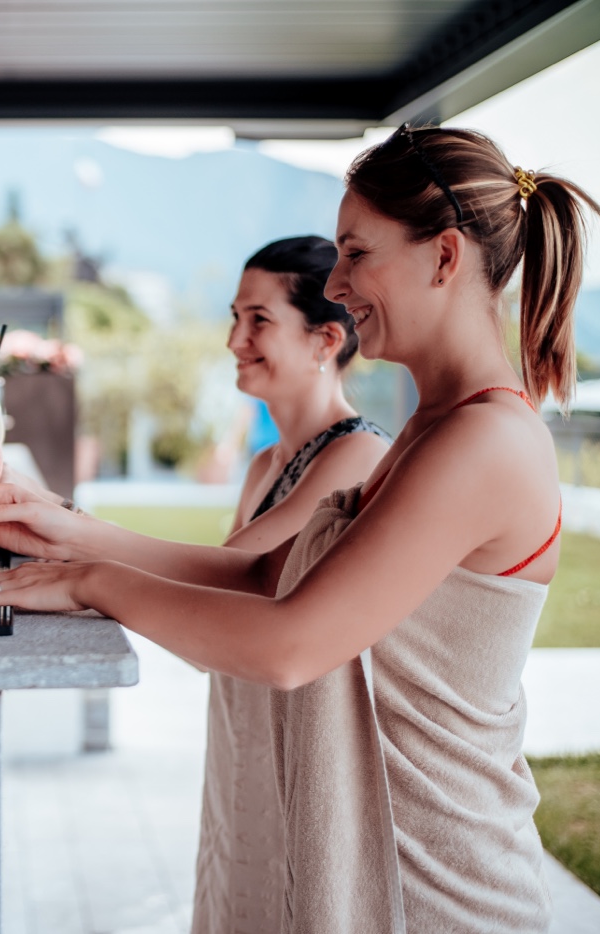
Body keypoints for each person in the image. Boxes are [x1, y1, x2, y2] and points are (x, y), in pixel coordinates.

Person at [0, 125, 600, 932]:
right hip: (385, 869)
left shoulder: (483, 441)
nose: (340, 284)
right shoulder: (436, 429)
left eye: (356, 253)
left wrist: (91, 581)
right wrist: (63, 540)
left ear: (444, 257)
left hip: (436, 891)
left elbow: (290, 643)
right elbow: (267, 575)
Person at [194, 236, 390, 932]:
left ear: (325, 340)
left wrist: (74, 550)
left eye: (259, 320)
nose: (235, 340)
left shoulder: (357, 455)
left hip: (304, 762)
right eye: (234, 318)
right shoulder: (265, 466)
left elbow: (235, 590)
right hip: (243, 747)